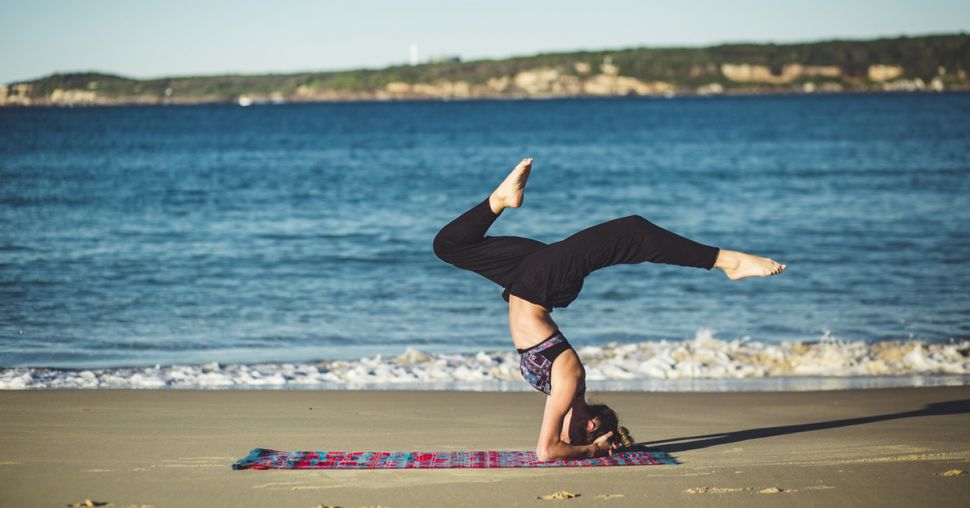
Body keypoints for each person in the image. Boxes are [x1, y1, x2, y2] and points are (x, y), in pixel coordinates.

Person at [432, 158, 785, 461]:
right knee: (633, 230)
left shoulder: (560, 393)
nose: (561, 433)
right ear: (590, 423)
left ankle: (500, 199)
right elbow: (548, 451)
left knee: (449, 245)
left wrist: (596, 447)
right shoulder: (569, 382)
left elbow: (548, 448)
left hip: (526, 279)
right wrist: (594, 449)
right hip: (542, 284)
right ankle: (728, 262)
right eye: (572, 435)